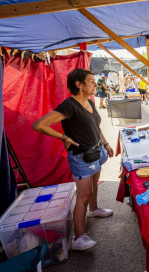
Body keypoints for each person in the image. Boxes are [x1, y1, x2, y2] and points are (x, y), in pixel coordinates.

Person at [32, 68, 114, 250]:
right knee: (83, 194)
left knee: (94, 183)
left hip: (96, 151)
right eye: (91, 81)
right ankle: (78, 238)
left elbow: (95, 126)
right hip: (81, 157)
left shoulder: (89, 102)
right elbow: (39, 124)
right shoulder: (69, 105)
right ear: (79, 84)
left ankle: (94, 209)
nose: (95, 84)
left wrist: (106, 144)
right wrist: (64, 138)